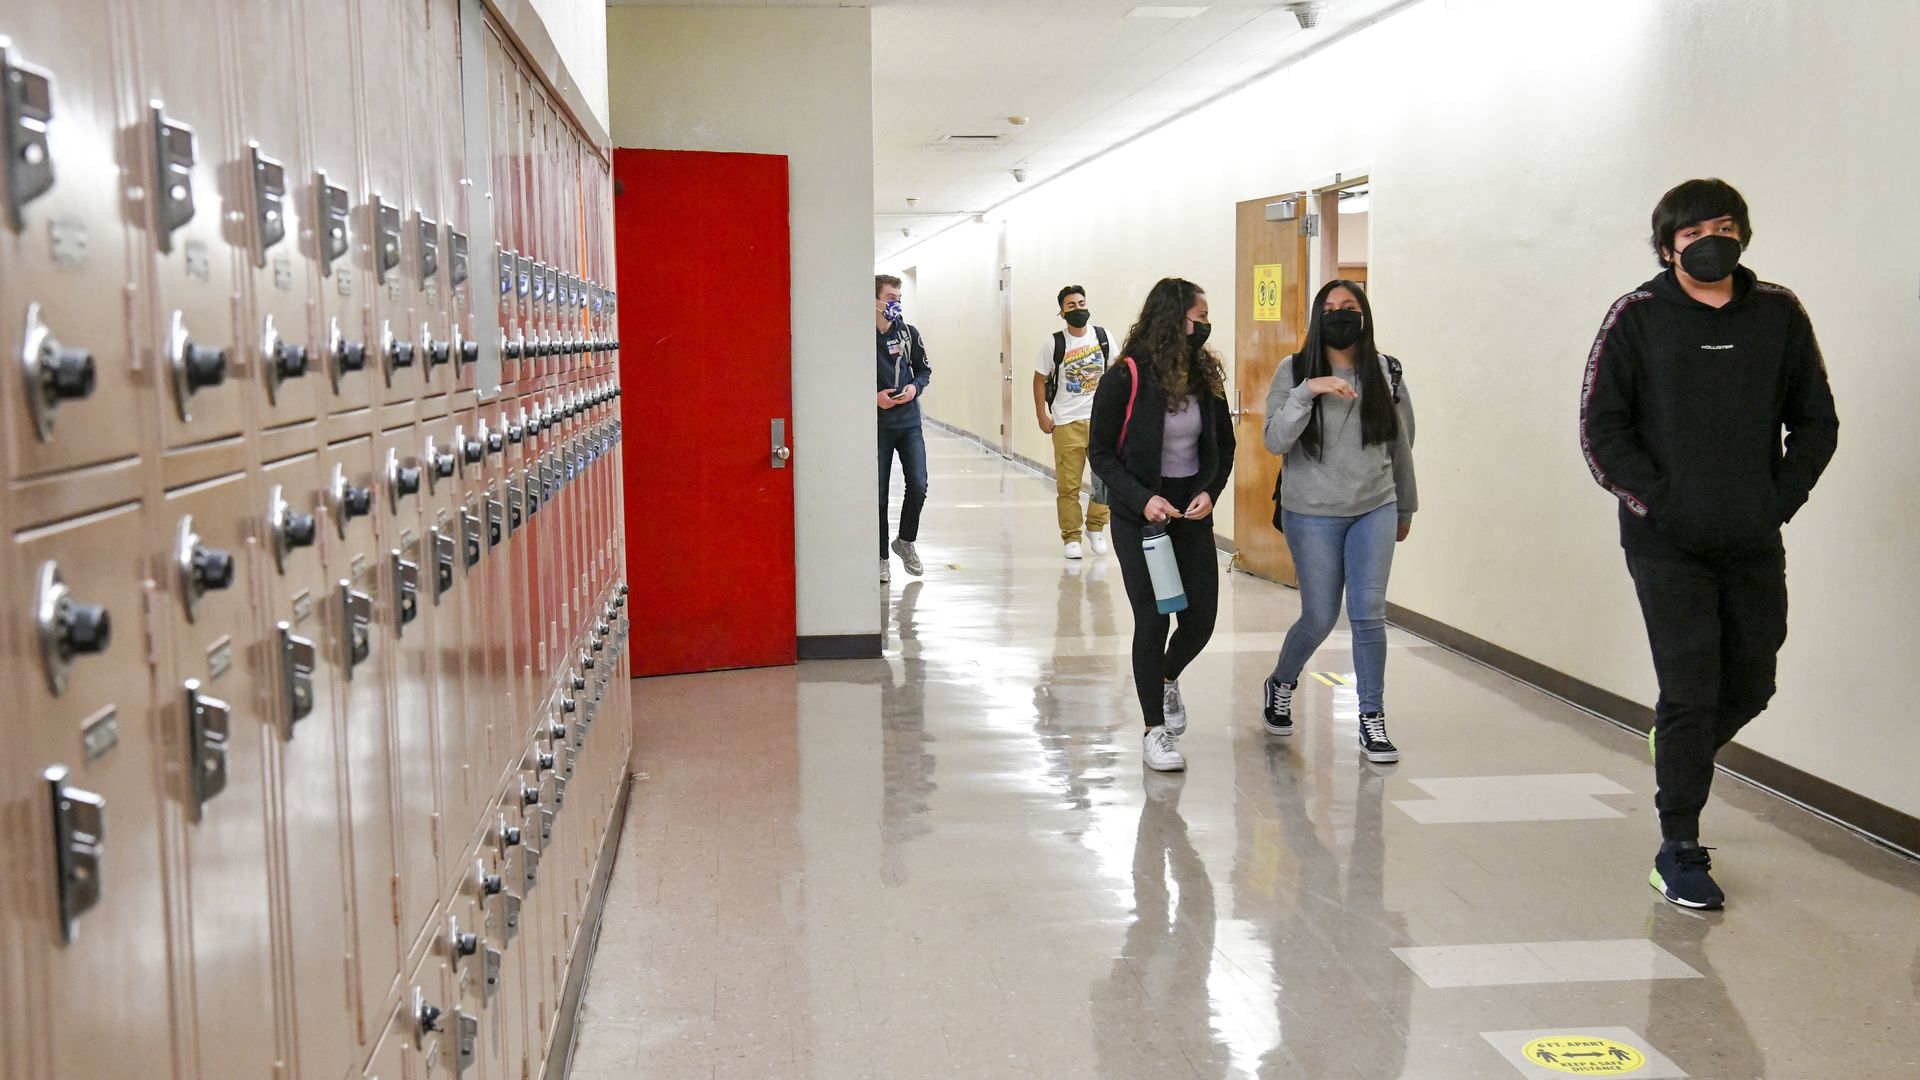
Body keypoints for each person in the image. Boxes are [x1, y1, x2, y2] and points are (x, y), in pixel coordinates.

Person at [1581, 178, 1837, 910]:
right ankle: (1679, 846)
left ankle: (1679, 745)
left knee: (1753, 680)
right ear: (1669, 247)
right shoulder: (1636, 317)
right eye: (1694, 234)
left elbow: (1817, 421)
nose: (1710, 241)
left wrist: (1776, 502)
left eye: (1723, 227)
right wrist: (1659, 504)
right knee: (1691, 685)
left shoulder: (1779, 314)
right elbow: (1602, 430)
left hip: (1752, 536)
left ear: (1744, 234)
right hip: (1667, 544)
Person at [1261, 280, 1417, 764]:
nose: (1339, 314)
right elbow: (1274, 439)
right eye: (1329, 308)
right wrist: (1309, 391)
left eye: (1349, 307)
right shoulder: (1293, 370)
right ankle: (1281, 681)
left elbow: (1401, 444)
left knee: (1368, 612)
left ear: (1364, 315)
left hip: (1375, 505)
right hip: (1311, 511)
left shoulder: (1386, 371)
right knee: (1319, 616)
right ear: (1316, 317)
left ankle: (1372, 718)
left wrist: (1405, 506)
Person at [1088, 278, 1235, 773]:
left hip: (1190, 510)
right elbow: (1102, 453)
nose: (1205, 327)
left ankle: (1167, 677)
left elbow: (1225, 446)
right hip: (1140, 516)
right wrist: (1141, 498)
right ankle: (1154, 731)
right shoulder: (1126, 376)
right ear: (1174, 320)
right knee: (1153, 618)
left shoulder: (1204, 376)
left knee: (1201, 619)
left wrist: (1209, 492)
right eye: (1199, 318)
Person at [1033, 285, 1114, 560]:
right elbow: (1039, 378)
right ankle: (1071, 536)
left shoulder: (1102, 337)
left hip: (1102, 420)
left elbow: (1115, 371)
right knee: (1069, 485)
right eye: (1071, 305)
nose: (1078, 309)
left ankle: (1096, 526)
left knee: (1105, 479)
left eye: (1081, 303)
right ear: (1062, 312)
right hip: (1067, 420)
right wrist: (1042, 414)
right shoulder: (1054, 343)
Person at [875, 274, 932, 584]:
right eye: (890, 297)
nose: (895, 303)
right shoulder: (860, 337)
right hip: (878, 427)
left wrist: (913, 388)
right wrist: (874, 398)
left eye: (899, 298)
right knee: (879, 495)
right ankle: (881, 557)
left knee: (919, 485)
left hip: (909, 423)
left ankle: (905, 541)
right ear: (875, 300)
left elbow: (924, 370)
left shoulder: (909, 334)